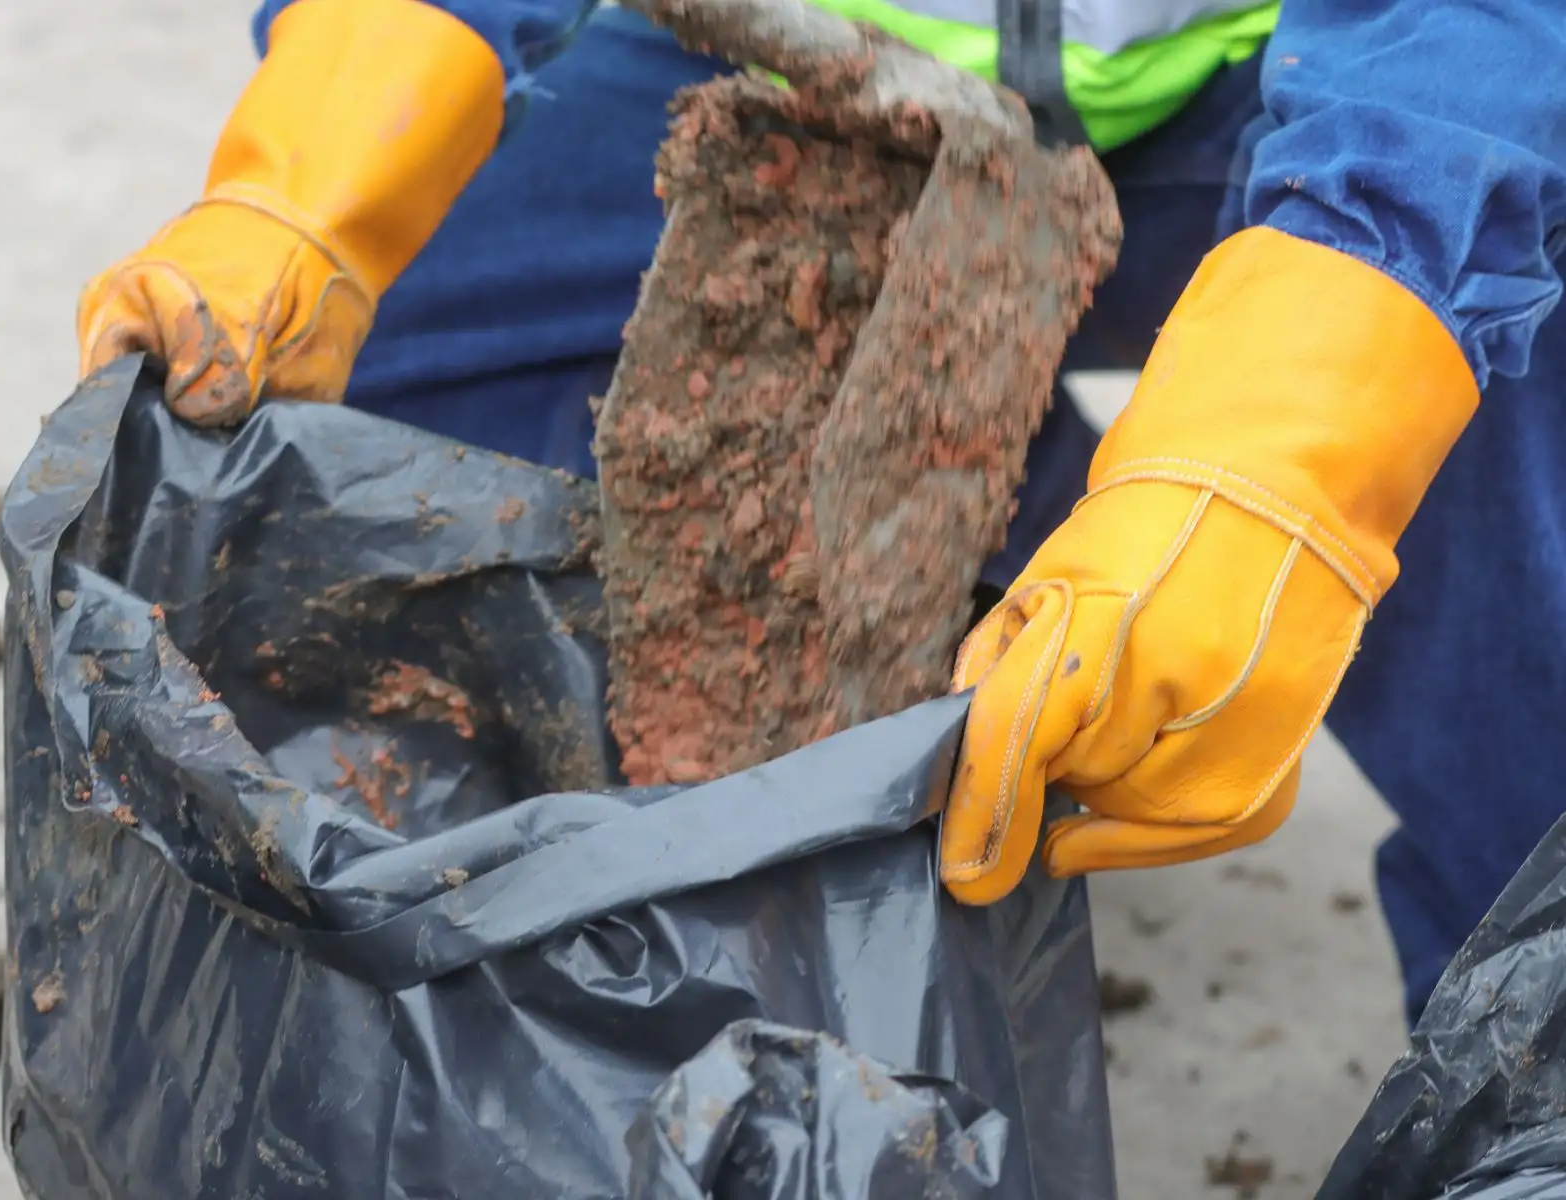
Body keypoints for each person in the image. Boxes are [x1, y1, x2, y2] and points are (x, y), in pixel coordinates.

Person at [77, 0, 1566, 1025]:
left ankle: (1530, 1028)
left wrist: (1277, 472)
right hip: (786, 60)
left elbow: (1464, 47)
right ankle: (987, 539)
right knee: (367, 411)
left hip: (1257, 95)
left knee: (1481, 373)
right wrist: (313, 181)